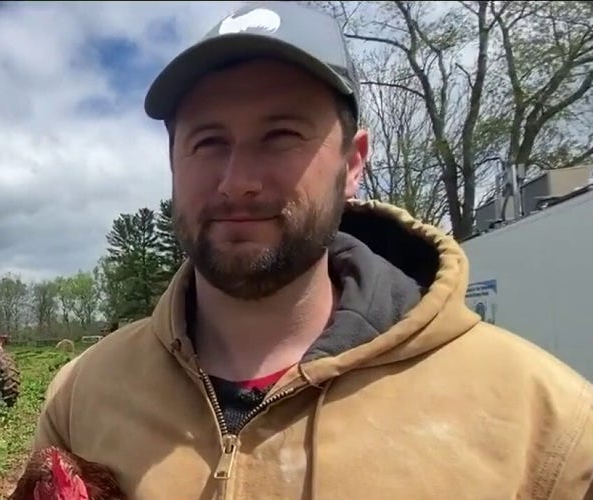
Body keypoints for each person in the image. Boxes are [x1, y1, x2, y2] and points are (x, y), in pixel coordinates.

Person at [30, 2, 593, 498]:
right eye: (208, 142)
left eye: (280, 136)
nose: (236, 181)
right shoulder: (83, 398)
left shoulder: (546, 425)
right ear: (173, 163)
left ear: (353, 164)